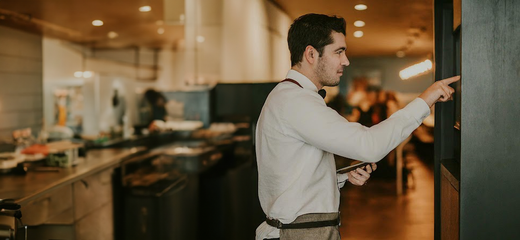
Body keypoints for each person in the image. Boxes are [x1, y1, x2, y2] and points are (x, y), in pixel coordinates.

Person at [255, 13, 459, 240]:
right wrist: (425, 100)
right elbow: (369, 145)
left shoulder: (291, 97)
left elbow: (295, 174)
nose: (346, 61)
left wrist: (341, 176)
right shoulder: (295, 101)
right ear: (311, 54)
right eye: (339, 51)